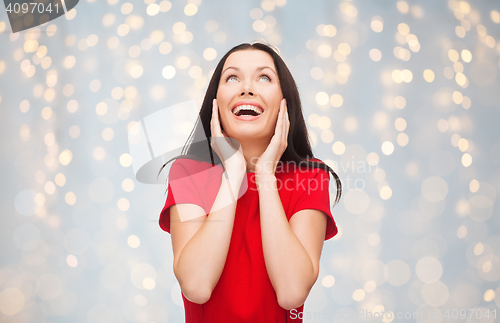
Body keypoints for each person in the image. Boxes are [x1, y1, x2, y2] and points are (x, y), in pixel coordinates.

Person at [158, 41, 342, 322]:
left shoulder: (310, 177)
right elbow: (196, 286)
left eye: (264, 77)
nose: (246, 88)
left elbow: (292, 293)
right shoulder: (189, 173)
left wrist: (265, 174)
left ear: (284, 102)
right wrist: (233, 173)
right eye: (232, 77)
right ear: (215, 102)